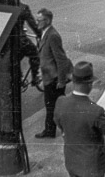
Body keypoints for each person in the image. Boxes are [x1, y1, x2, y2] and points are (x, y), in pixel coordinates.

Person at [54, 62, 105, 177]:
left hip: (72, 162)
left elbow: (59, 122)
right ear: (89, 84)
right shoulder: (95, 111)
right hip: (92, 167)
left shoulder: (61, 102)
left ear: (73, 81)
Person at [35, 8, 73, 138]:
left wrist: (61, 81)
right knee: (51, 106)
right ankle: (50, 130)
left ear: (47, 20)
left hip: (54, 79)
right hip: (49, 77)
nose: (37, 22)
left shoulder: (53, 36)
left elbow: (61, 60)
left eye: (39, 20)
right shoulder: (45, 33)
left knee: (55, 107)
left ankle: (61, 130)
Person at [17, 3, 42, 85]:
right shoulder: (23, 8)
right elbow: (33, 25)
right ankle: (35, 78)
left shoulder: (1, 4)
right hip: (20, 40)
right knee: (34, 54)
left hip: (4, 40)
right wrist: (40, 34)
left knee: (15, 58)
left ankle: (19, 77)